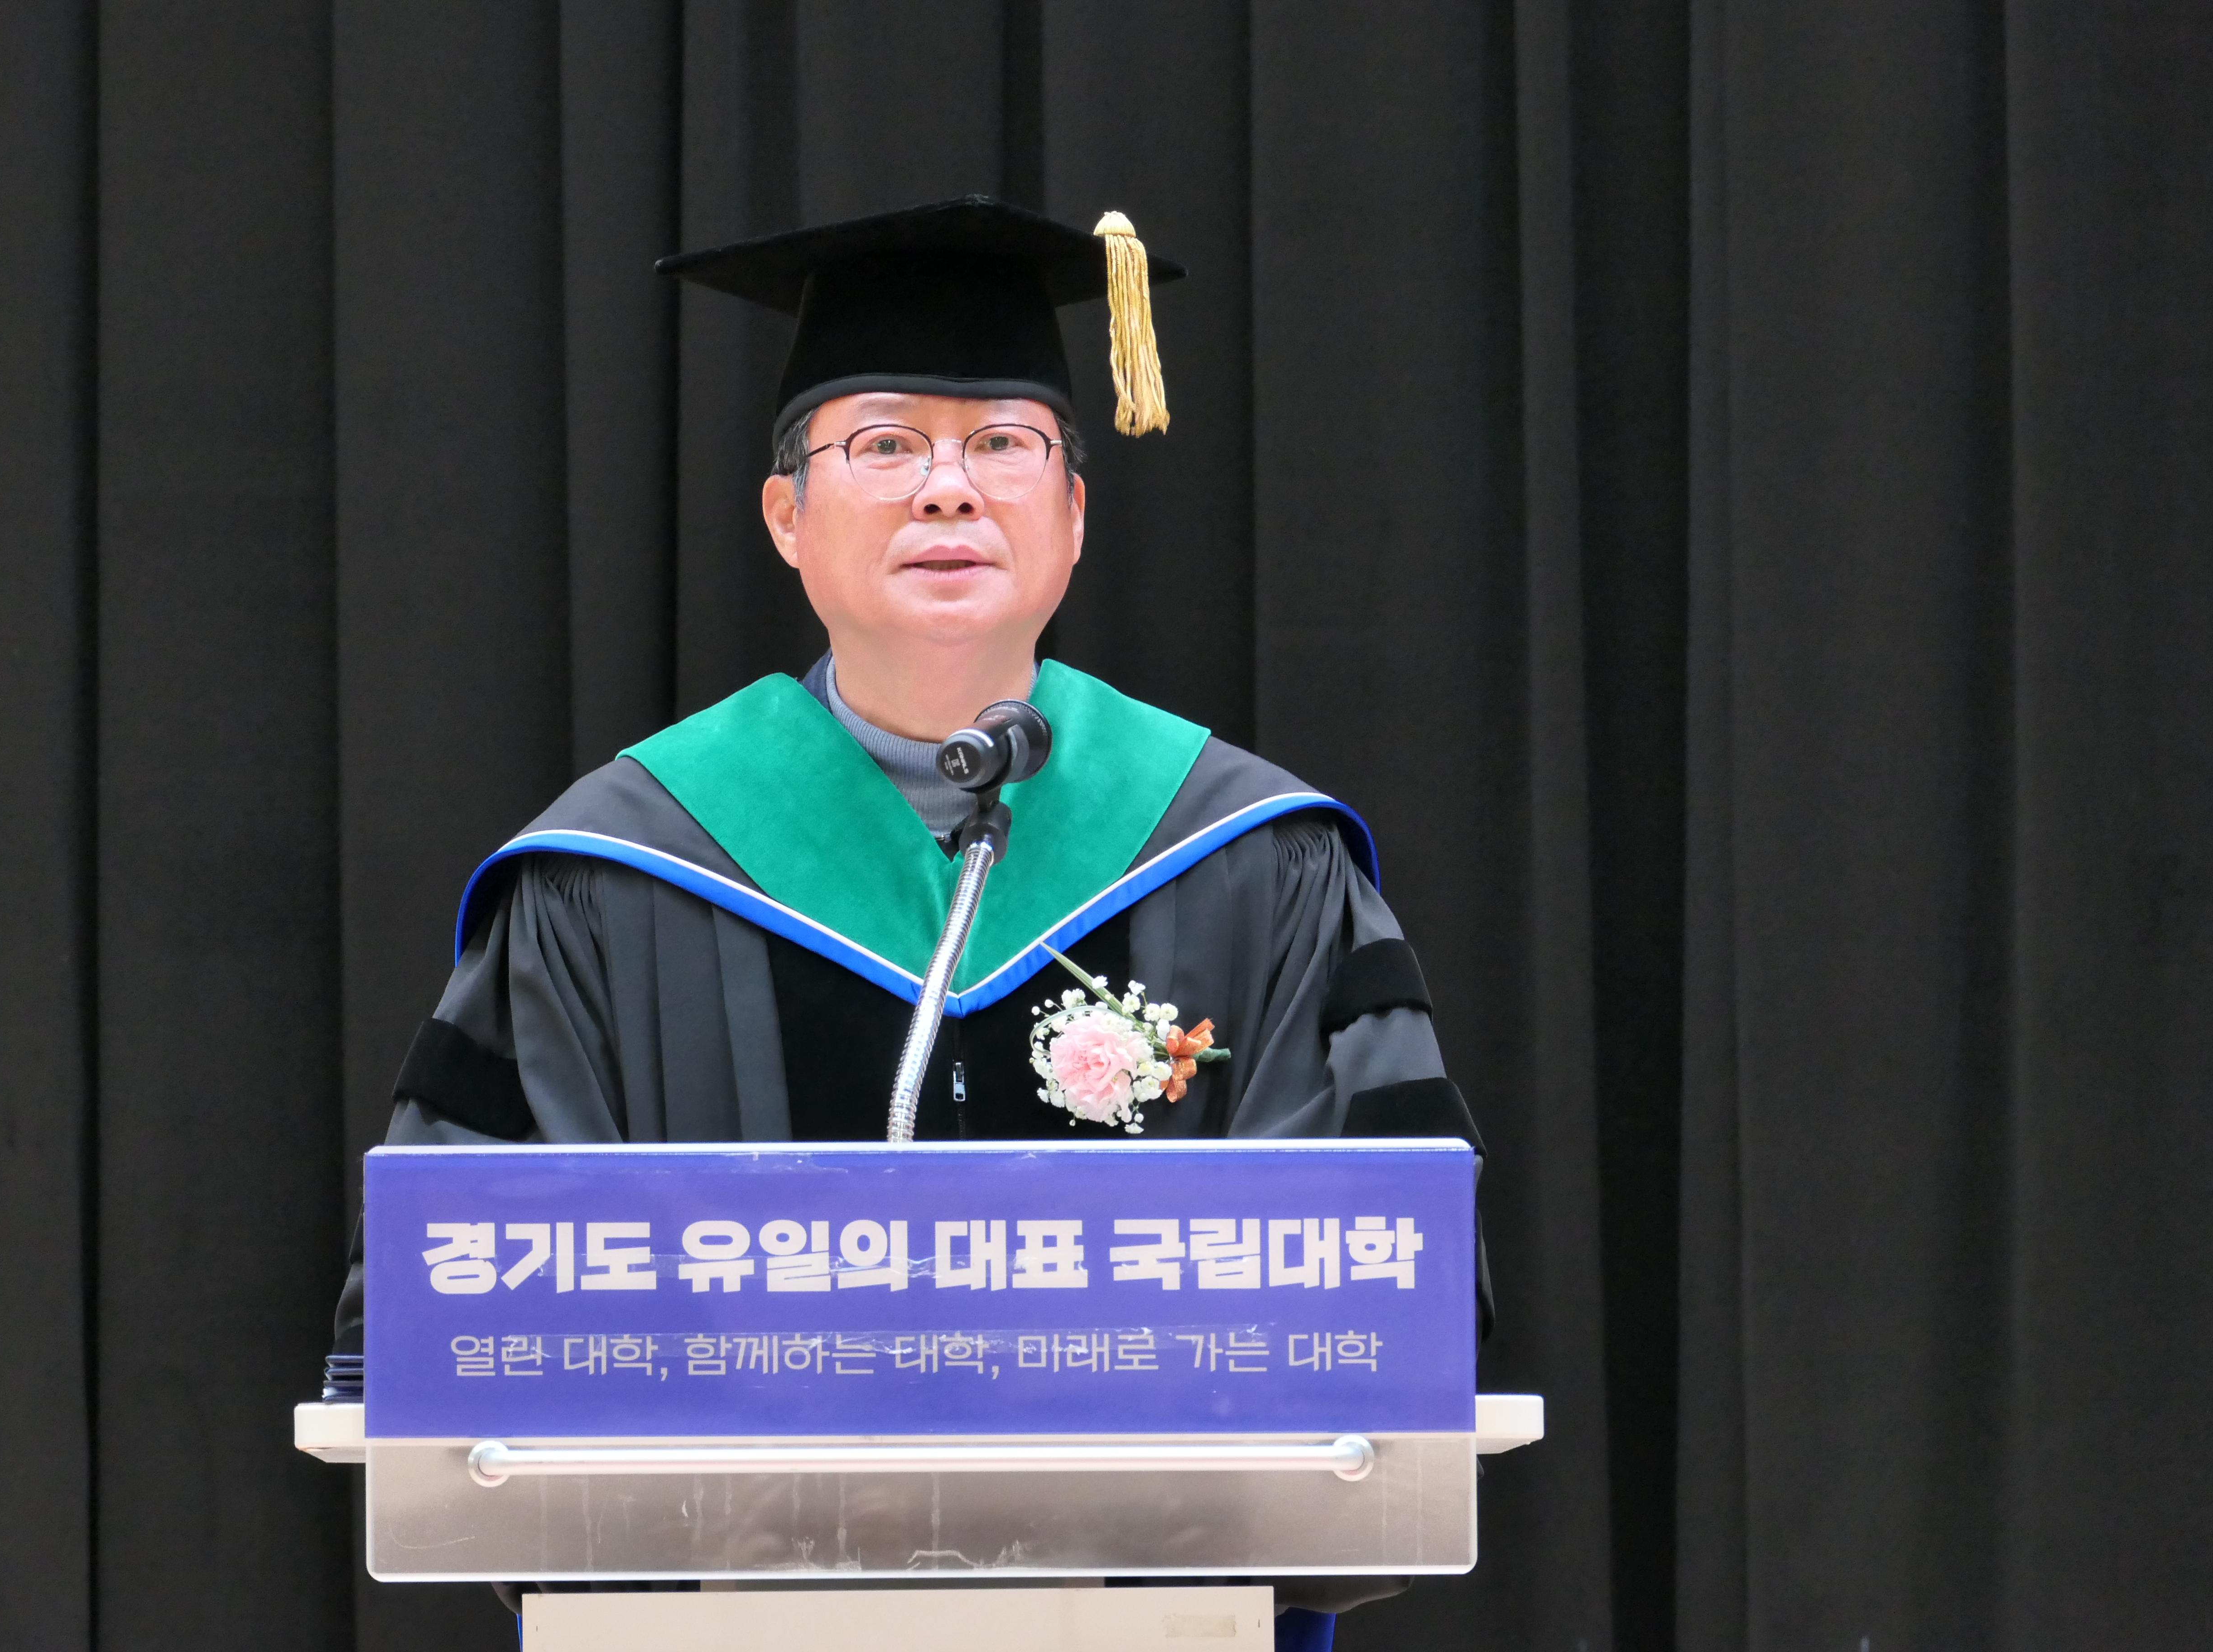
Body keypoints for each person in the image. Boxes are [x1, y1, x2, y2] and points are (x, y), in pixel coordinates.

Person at [328, 197, 1488, 1640]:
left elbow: (1394, 1300)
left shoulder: (1255, 860)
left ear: (1074, 516)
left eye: (1004, 443)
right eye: (884, 446)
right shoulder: (614, 873)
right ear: (787, 519)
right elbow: (454, 1311)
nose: (950, 490)